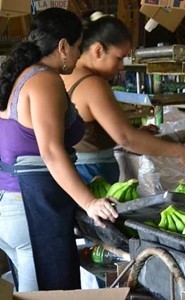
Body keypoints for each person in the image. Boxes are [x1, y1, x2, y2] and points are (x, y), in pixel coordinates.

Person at [0, 8, 118, 291]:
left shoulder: (18, 78)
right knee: (51, 296)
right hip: (30, 210)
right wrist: (90, 203)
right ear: (63, 46)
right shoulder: (43, 80)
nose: (78, 56)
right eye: (77, 48)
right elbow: (51, 152)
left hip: (10, 206)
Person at [61, 12, 185, 184]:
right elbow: (126, 138)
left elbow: (98, 133)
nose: (121, 66)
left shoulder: (68, 75)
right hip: (92, 174)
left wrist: (138, 134)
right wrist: (181, 152)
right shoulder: (92, 84)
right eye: (119, 58)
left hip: (76, 172)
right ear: (98, 50)